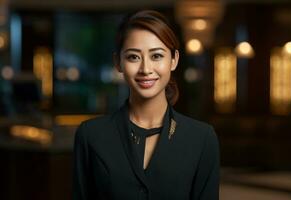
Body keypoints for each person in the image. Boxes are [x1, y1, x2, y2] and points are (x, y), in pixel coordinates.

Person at [72, 10, 220, 200]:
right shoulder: (91, 135)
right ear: (118, 62)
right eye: (133, 57)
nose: (146, 69)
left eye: (156, 56)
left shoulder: (202, 139)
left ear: (174, 60)